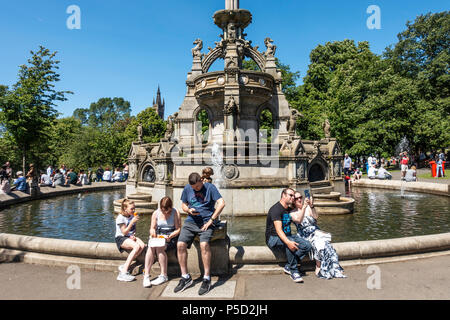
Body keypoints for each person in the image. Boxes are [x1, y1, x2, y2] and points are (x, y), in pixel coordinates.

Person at [174, 172, 225, 296]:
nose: (195, 189)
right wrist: (188, 210)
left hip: (207, 221)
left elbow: (222, 203)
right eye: (193, 188)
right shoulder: (187, 188)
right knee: (180, 244)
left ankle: (207, 278)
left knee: (204, 245)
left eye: (197, 187)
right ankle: (185, 277)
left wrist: (212, 220)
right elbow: (183, 205)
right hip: (191, 221)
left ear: (201, 180)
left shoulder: (210, 188)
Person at [291, 191, 346, 279]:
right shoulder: (292, 213)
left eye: (300, 197)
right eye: (297, 198)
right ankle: (319, 266)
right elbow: (299, 221)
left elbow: (316, 217)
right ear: (293, 201)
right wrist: (304, 207)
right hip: (305, 235)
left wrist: (312, 206)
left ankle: (335, 266)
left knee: (327, 245)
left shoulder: (309, 208)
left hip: (316, 232)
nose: (299, 199)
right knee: (317, 244)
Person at [265, 188, 312, 283]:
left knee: (307, 245)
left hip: (288, 235)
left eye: (293, 196)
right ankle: (294, 271)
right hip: (273, 238)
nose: (293, 198)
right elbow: (278, 230)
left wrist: (307, 205)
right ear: (283, 195)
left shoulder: (288, 209)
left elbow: (299, 219)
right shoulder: (276, 209)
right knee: (290, 243)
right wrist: (288, 242)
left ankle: (288, 266)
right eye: (290, 195)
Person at [143, 196, 181, 288]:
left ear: (170, 207)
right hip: (158, 235)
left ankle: (163, 275)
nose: (164, 212)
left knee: (159, 247)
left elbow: (178, 229)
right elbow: (152, 228)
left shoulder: (175, 212)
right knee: (151, 247)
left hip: (170, 237)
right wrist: (153, 233)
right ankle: (146, 275)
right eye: (163, 210)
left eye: (166, 211)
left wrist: (171, 236)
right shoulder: (156, 213)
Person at [115, 199, 145, 282]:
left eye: (134, 208)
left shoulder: (132, 216)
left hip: (129, 236)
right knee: (136, 246)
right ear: (125, 209)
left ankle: (124, 266)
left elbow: (133, 230)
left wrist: (133, 236)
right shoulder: (120, 218)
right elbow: (124, 232)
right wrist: (132, 222)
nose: (134, 210)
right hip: (121, 238)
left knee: (142, 246)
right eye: (132, 209)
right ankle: (123, 273)